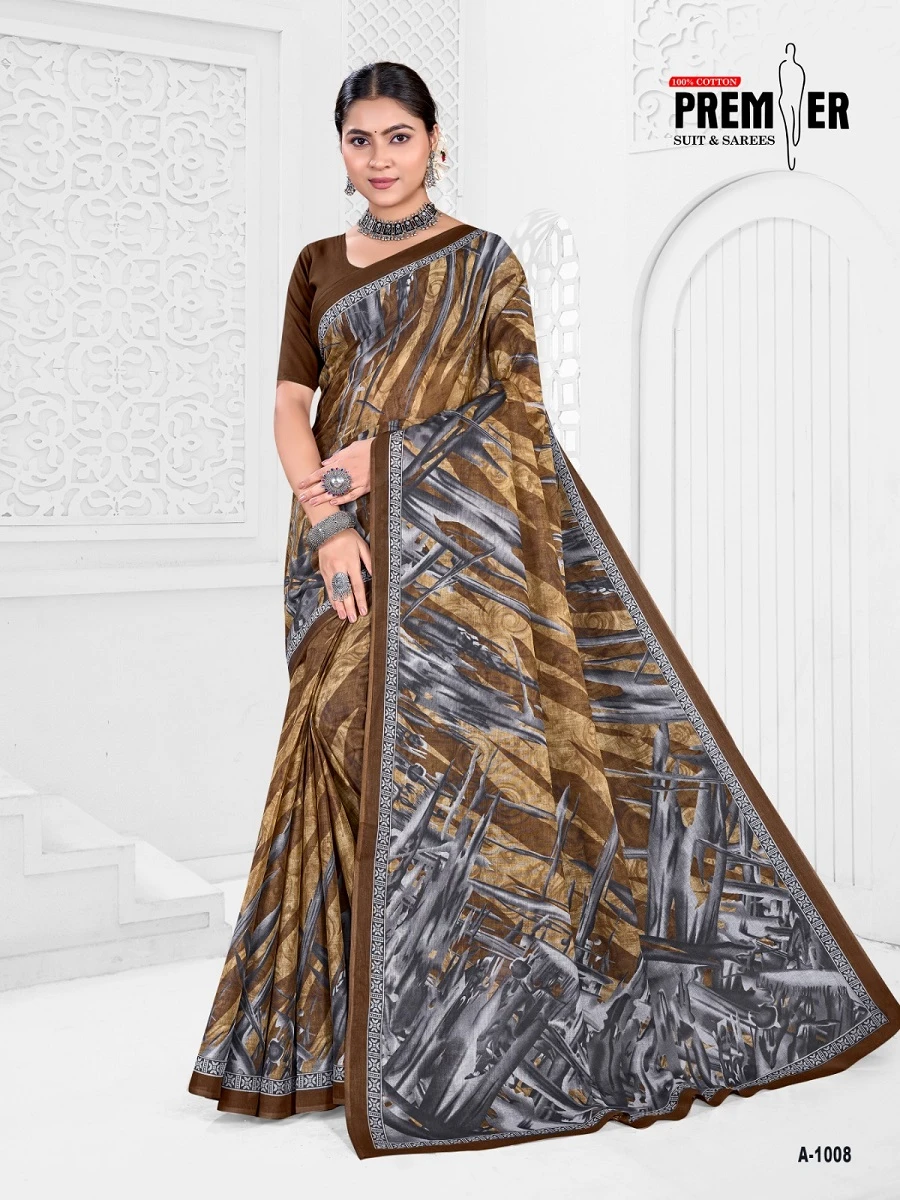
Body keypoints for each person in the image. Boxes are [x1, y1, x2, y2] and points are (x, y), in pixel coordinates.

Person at [187, 61, 900, 1160]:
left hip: (458, 554)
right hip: (340, 539)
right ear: (341, 149)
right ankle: (344, 1035)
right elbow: (290, 404)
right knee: (339, 740)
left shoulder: (485, 261)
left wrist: (395, 455)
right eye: (360, 139)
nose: (379, 157)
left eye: (398, 136)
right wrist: (328, 516)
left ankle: (473, 1007)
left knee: (454, 772)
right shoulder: (317, 265)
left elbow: (519, 416)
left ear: (435, 140)